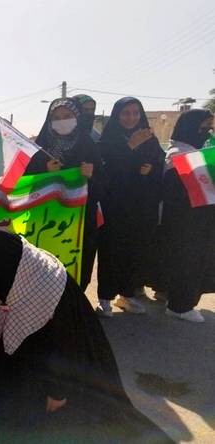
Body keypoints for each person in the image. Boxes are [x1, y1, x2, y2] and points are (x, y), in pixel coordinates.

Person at [0, 227, 172, 443]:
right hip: (33, 354)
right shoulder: (9, 272)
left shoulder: (47, 286)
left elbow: (65, 346)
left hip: (63, 367)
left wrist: (58, 394)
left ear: (3, 259)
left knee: (38, 425)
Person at [27, 98, 106, 290]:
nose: (62, 121)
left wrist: (92, 174)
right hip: (47, 219)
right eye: (57, 117)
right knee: (45, 266)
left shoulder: (89, 146)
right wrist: (44, 170)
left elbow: (104, 187)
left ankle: (76, 301)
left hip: (80, 220)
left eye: (67, 116)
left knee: (79, 265)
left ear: (77, 118)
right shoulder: (40, 149)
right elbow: (25, 183)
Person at [97, 97, 165, 317]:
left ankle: (127, 294)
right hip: (114, 206)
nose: (131, 118)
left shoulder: (149, 138)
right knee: (111, 251)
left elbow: (160, 163)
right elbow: (105, 171)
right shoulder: (109, 140)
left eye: (136, 113)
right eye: (126, 113)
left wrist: (150, 169)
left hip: (140, 206)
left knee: (134, 251)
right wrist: (130, 147)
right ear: (117, 115)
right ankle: (105, 297)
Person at [157, 109, 215, 323]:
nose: (207, 132)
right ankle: (180, 306)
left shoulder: (192, 151)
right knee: (187, 261)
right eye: (204, 127)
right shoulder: (178, 155)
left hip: (193, 220)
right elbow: (174, 192)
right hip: (185, 221)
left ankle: (171, 295)